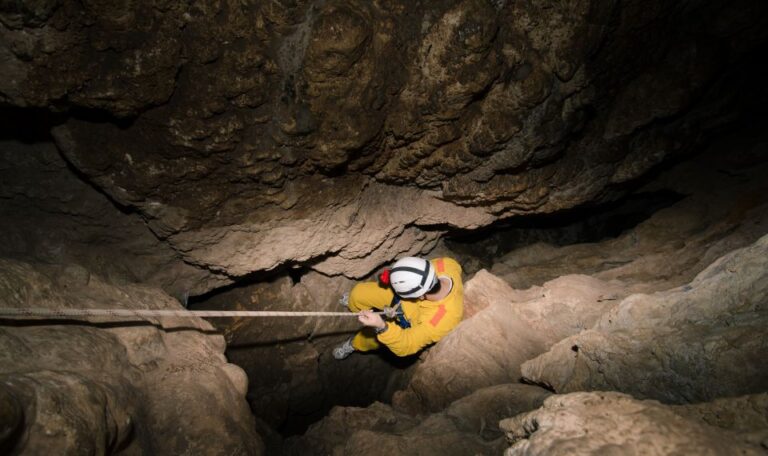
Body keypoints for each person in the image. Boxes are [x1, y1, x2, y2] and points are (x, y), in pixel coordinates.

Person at [333, 256, 463, 360]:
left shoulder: (444, 319)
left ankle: (354, 344)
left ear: (421, 296)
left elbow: (408, 344)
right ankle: (353, 305)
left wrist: (381, 326)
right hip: (401, 298)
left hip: (410, 322)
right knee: (358, 294)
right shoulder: (445, 263)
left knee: (373, 338)